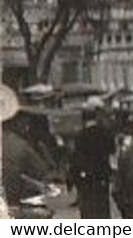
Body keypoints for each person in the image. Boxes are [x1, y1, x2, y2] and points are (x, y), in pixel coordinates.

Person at [3, 86, 58, 217]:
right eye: (24, 122)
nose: (26, 126)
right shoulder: (19, 145)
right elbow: (41, 170)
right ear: (16, 122)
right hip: (13, 202)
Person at [69, 97, 116, 219]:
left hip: (86, 179)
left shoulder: (80, 136)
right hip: (102, 177)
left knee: (88, 211)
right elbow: (113, 152)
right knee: (102, 209)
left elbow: (75, 159)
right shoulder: (106, 133)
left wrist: (72, 179)